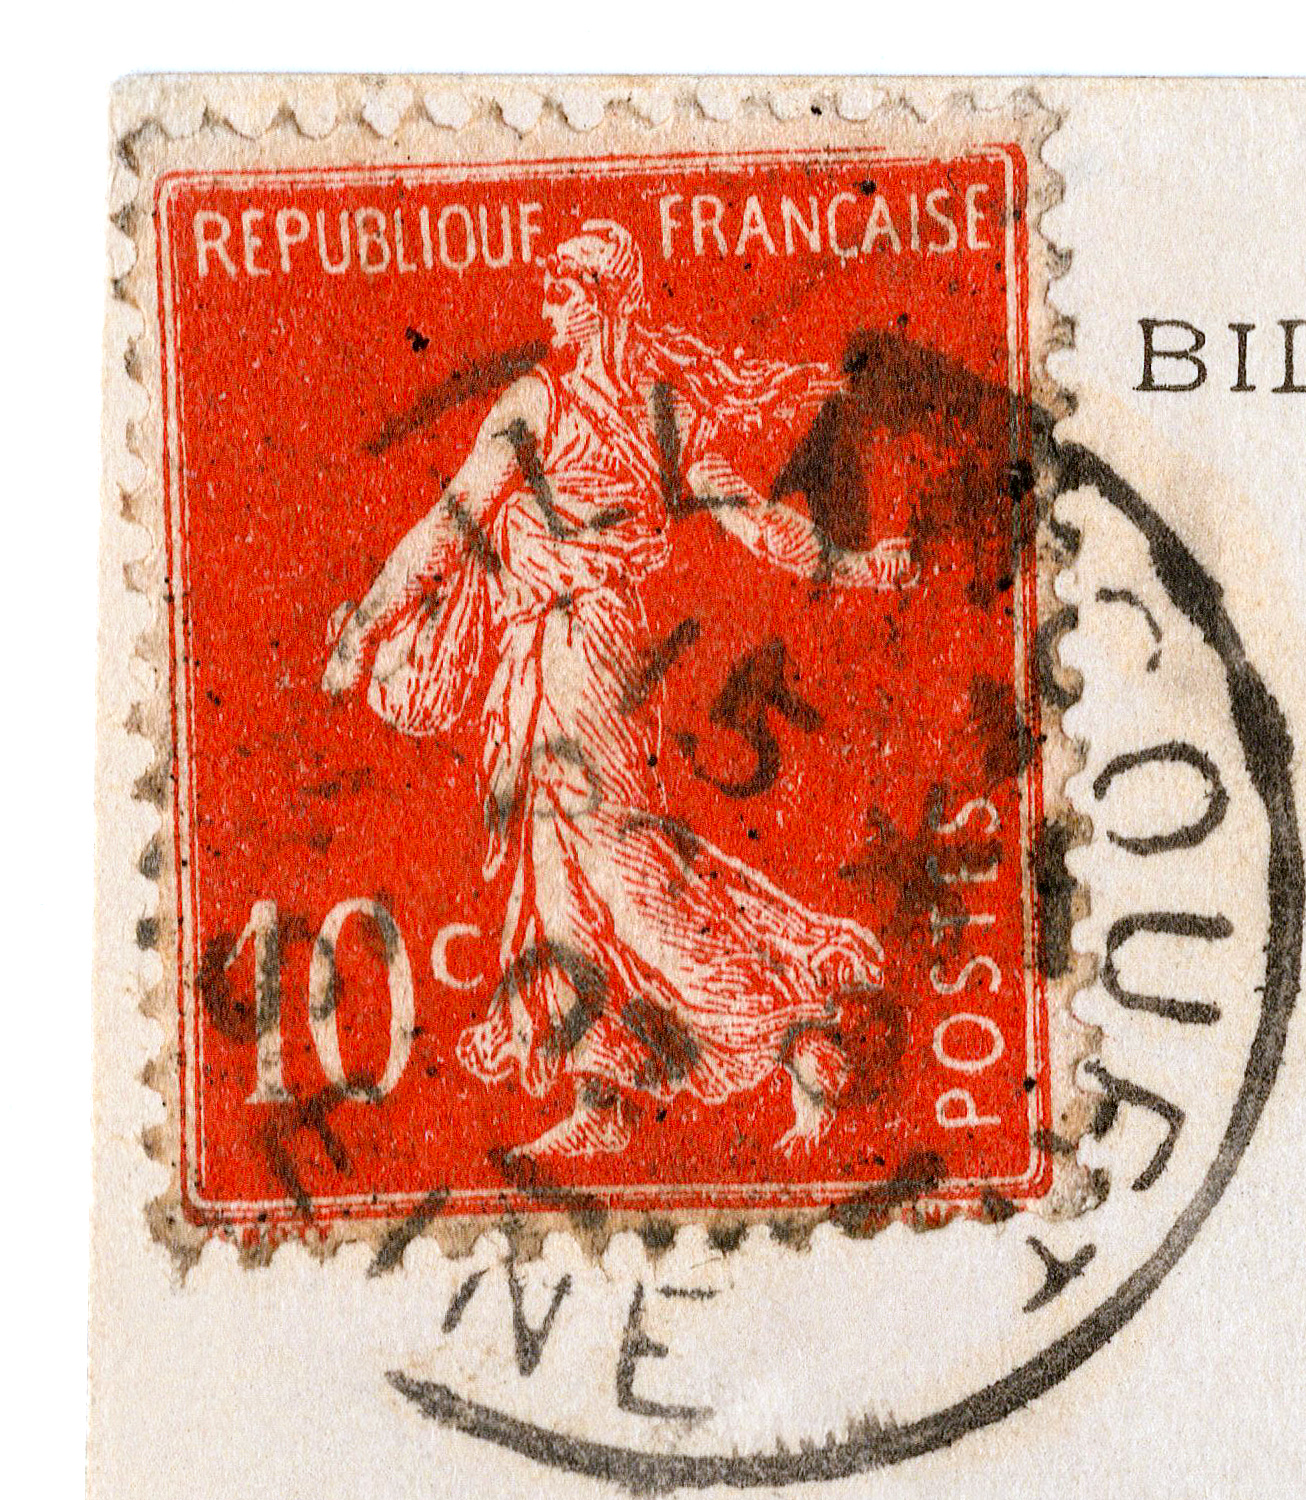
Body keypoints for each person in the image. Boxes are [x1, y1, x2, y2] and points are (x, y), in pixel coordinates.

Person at [317, 222, 919, 1168]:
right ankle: (605, 1093)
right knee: (563, 881)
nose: (546, 305)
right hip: (579, 653)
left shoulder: (557, 402)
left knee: (614, 868)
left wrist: (363, 632)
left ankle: (789, 1019)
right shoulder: (649, 404)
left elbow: (452, 525)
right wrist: (856, 565)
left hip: (580, 653)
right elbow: (753, 525)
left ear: (600, 296)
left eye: (560, 288)